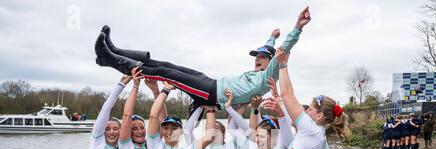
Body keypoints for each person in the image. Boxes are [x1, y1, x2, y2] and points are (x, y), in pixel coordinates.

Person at [94, 7, 311, 111]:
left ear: (270, 62)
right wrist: (271, 37)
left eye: (262, 57)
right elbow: (270, 50)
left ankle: (112, 61)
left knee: (165, 74)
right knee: (166, 65)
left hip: (211, 94)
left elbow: (282, 51)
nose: (257, 59)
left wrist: (297, 27)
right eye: (257, 56)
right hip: (211, 81)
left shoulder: (267, 78)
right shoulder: (258, 71)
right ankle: (115, 51)